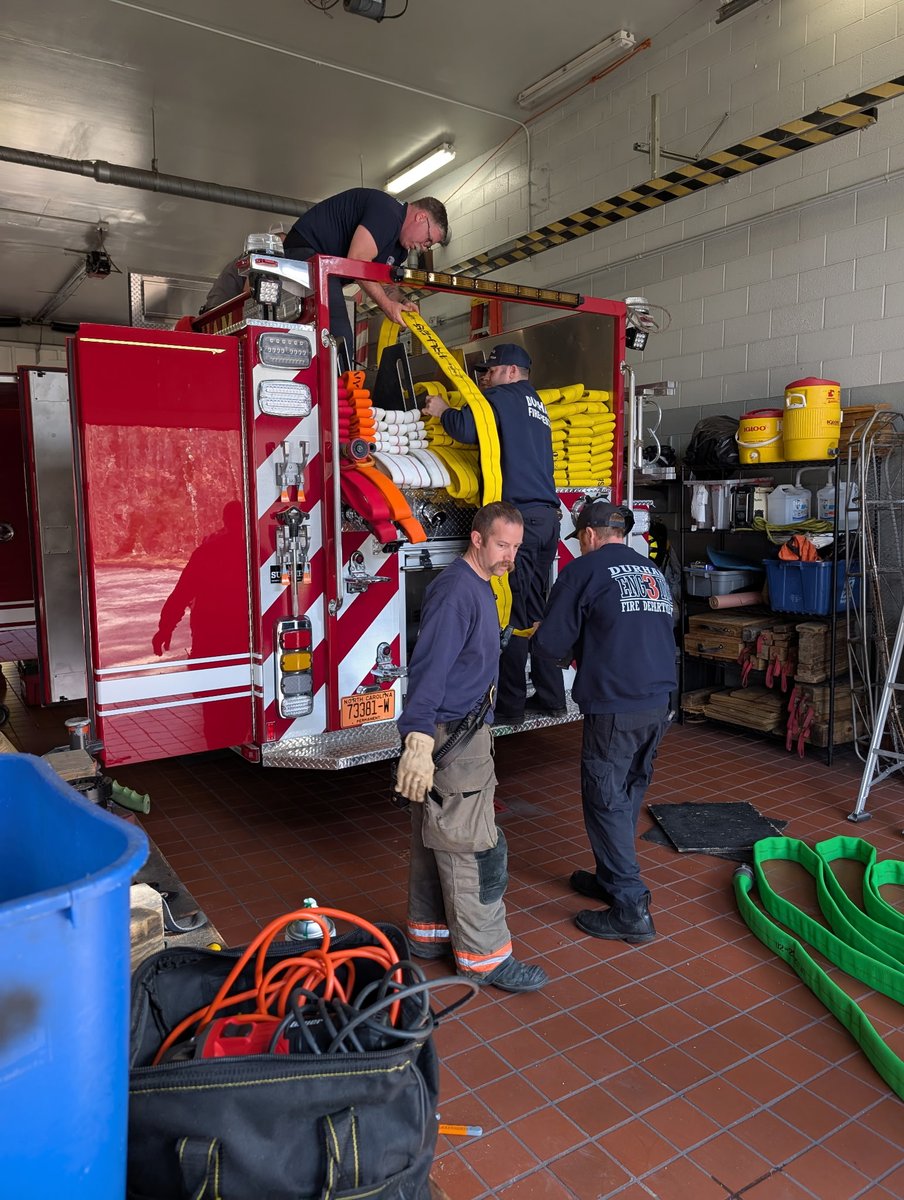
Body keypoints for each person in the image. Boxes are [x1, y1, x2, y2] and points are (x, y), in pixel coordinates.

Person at [394, 502, 549, 993]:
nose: (511, 556)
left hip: (454, 733)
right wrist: (417, 736)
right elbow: (430, 665)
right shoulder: (458, 592)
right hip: (452, 738)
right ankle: (484, 957)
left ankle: (429, 936)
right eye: (503, 545)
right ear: (478, 540)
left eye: (517, 548)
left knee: (433, 836)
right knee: (471, 846)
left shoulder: (479, 586)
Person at [531, 499, 677, 944]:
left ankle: (631, 906)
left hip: (615, 704)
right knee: (627, 790)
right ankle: (611, 877)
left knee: (604, 797)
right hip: (658, 702)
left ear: (590, 535)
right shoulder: (651, 571)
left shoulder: (583, 571)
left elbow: (550, 644)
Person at [423, 343, 565, 725]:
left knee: (512, 611)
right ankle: (552, 697)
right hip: (547, 518)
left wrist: (441, 412)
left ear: (512, 371)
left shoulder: (500, 397)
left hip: (518, 520)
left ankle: (511, 707)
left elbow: (468, 428)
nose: (484, 377)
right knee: (536, 609)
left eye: (490, 369)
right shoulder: (537, 405)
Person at [283, 188, 449, 360]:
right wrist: (387, 306)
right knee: (339, 335)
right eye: (428, 239)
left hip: (326, 268)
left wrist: (403, 303)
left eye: (429, 246)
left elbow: (384, 285)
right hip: (304, 252)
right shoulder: (388, 213)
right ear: (421, 217)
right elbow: (358, 259)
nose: (424, 247)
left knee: (338, 336)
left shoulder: (400, 250)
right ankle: (339, 384)